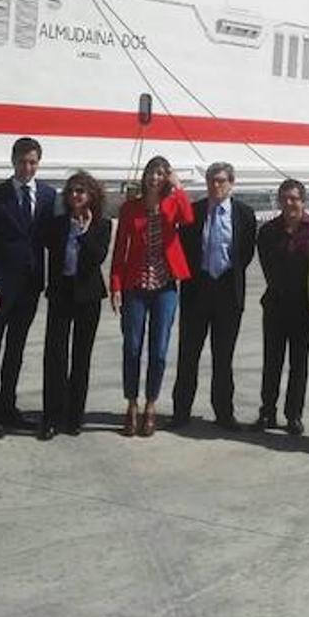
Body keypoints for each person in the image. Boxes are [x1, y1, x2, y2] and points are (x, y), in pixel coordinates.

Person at [0, 136, 56, 436]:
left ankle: (8, 406)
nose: (27, 167)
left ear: (38, 163)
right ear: (13, 161)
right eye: (22, 161)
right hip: (0, 286)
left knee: (16, 350)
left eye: (33, 162)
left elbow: (52, 238)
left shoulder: (48, 195)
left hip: (30, 286)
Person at [109, 156, 193, 437]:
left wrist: (178, 186)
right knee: (132, 348)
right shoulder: (130, 208)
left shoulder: (172, 204)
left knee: (158, 351)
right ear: (144, 177)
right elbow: (120, 248)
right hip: (135, 287)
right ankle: (131, 404)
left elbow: (188, 218)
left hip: (165, 287)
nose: (155, 178)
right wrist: (116, 286)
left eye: (161, 173)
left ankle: (151, 404)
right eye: (152, 173)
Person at [172, 161, 257, 430]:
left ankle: (223, 413)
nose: (216, 185)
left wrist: (227, 276)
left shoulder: (244, 214)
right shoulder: (194, 213)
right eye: (212, 180)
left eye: (221, 180)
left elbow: (245, 253)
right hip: (197, 290)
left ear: (231, 183)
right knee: (188, 356)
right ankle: (181, 412)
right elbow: (184, 247)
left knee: (223, 358)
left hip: (228, 294)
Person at [39, 171, 111, 440]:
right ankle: (51, 416)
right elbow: (48, 245)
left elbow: (96, 257)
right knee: (55, 355)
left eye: (81, 191)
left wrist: (82, 233)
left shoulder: (102, 225)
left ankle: (74, 416)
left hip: (88, 296)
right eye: (71, 191)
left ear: (91, 195)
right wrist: (69, 225)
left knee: (81, 358)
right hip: (61, 293)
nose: (75, 196)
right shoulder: (57, 224)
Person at [250, 178, 309, 435]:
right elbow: (267, 266)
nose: (289, 203)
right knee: (272, 361)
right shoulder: (268, 232)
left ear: (303, 201)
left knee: (298, 364)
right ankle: (267, 411)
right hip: (276, 304)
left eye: (294, 198)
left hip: (305, 307)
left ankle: (293, 414)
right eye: (285, 198)